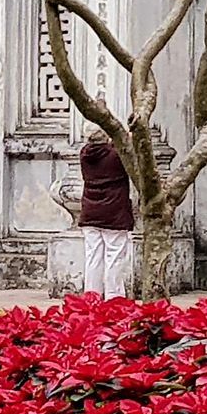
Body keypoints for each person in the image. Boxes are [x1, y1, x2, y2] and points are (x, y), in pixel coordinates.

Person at [79, 124, 134, 297]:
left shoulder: (84, 154)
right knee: (114, 257)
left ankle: (92, 297)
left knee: (93, 257)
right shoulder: (116, 156)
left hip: (90, 212)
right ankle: (114, 297)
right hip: (114, 212)